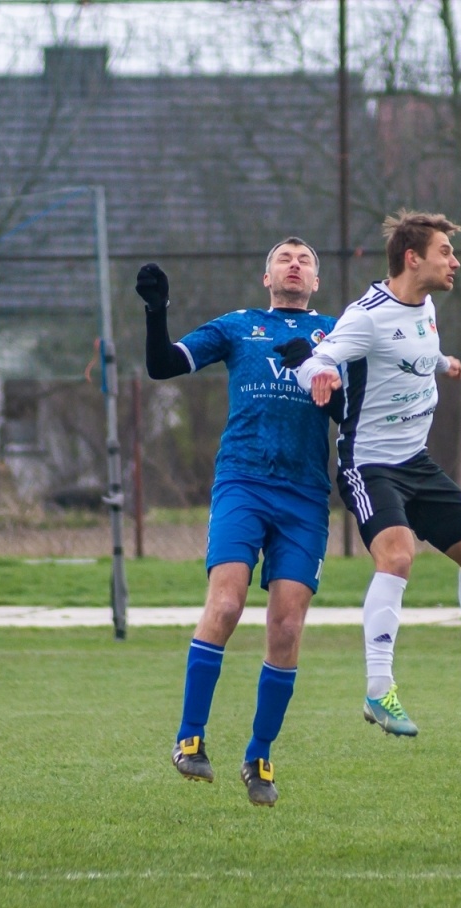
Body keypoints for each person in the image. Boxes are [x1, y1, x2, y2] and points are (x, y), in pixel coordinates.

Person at [284, 210, 461, 737]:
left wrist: (441, 362)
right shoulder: (366, 316)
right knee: (399, 556)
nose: (455, 261)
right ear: (413, 259)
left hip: (416, 462)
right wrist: (318, 375)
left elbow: (410, 352)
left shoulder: (424, 305)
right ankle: (379, 691)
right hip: (370, 464)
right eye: (445, 252)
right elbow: (317, 356)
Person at [137, 238, 339, 806]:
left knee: (287, 627)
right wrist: (157, 312)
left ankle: (259, 754)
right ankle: (189, 738)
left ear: (316, 282)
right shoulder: (238, 326)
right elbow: (161, 365)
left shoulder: (339, 333)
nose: (295, 264)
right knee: (225, 605)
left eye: (305, 260)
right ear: (266, 275)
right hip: (244, 482)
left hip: (304, 494)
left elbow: (352, 411)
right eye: (284, 258)